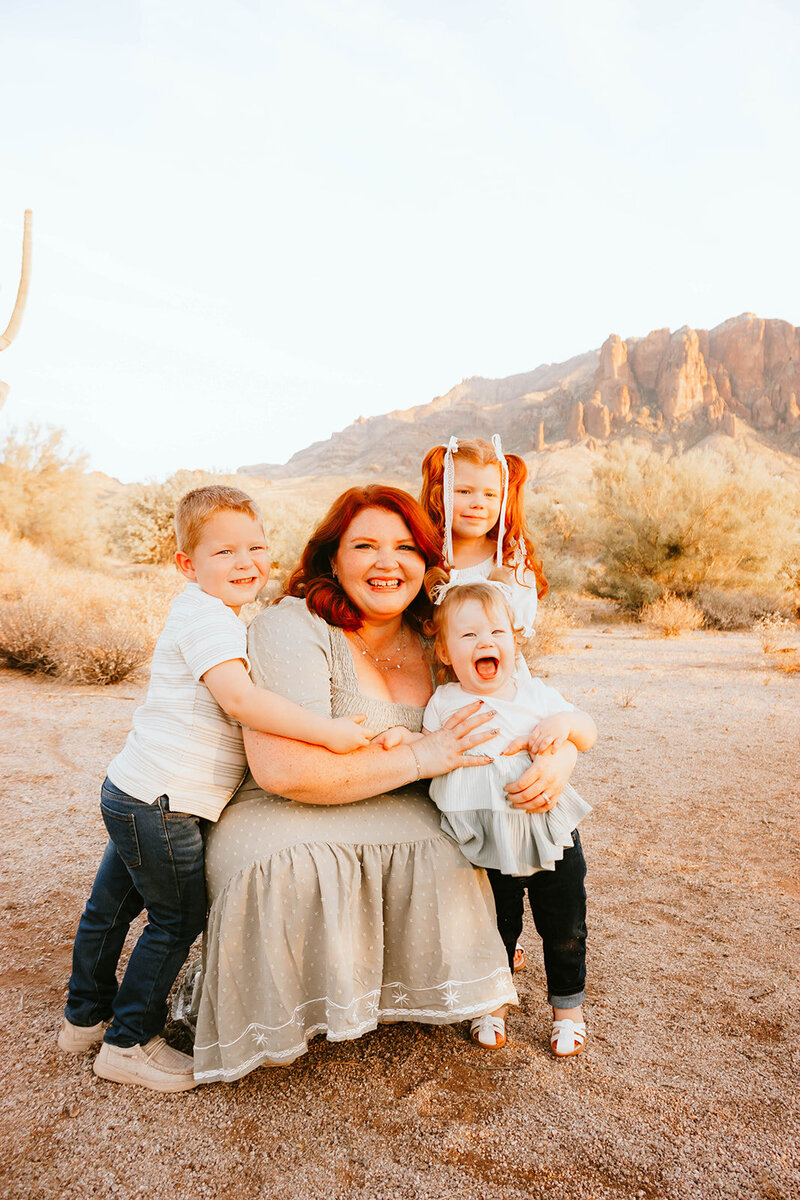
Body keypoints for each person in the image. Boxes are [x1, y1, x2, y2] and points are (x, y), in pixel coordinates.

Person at [188, 485, 573, 1082]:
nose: (387, 563)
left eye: (404, 548)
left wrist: (563, 755)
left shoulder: (443, 633)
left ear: (426, 560)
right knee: (290, 863)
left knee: (458, 849)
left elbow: (529, 708)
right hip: (292, 805)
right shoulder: (295, 626)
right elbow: (284, 771)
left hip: (408, 800)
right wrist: (424, 756)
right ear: (331, 558)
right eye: (364, 545)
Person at [58, 485, 371, 1093]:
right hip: (165, 805)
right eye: (225, 551)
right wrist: (329, 733)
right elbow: (240, 700)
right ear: (187, 564)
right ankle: (127, 1044)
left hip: (136, 788)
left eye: (256, 547)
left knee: (112, 909)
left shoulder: (210, 612)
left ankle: (85, 1016)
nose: (246, 562)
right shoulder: (206, 618)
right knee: (178, 919)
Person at [420, 576, 596, 1056]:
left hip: (547, 834)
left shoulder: (534, 694)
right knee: (494, 926)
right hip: (484, 841)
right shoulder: (443, 703)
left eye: (498, 633)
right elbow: (429, 754)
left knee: (564, 926)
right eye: (469, 635)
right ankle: (491, 1007)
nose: (487, 643)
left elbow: (587, 730)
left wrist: (564, 725)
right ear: (444, 653)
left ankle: (568, 1011)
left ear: (515, 642)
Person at [419, 434, 548, 972]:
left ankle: (508, 933)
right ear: (439, 491)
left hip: (501, 694)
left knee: (506, 810)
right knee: (458, 814)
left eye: (490, 494)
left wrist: (500, 587)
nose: (477, 503)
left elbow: (521, 629)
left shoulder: (508, 559)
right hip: (442, 691)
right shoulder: (429, 556)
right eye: (463, 489)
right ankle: (475, 934)